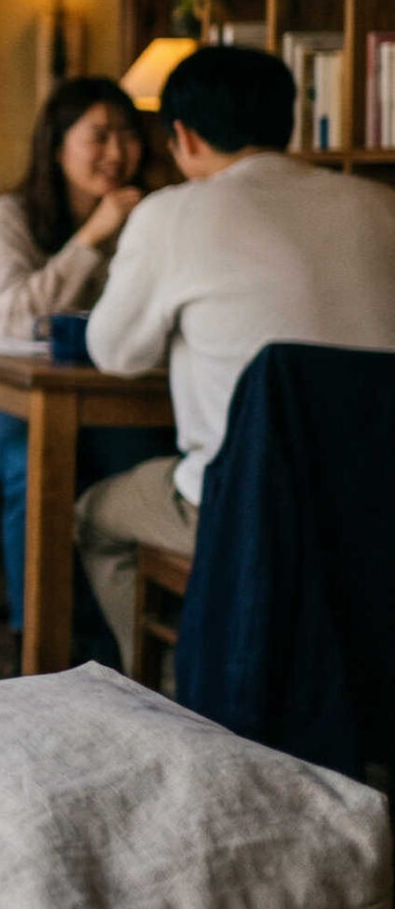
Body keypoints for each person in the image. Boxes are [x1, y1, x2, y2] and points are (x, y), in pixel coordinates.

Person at [80, 46, 395, 671]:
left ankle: (175, 693)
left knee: (95, 517)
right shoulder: (381, 205)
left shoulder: (171, 213)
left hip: (244, 507)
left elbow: (113, 352)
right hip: (378, 502)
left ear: (184, 137)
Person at [0, 78, 173, 634]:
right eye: (99, 136)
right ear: (57, 146)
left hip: (107, 405)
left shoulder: (151, 219)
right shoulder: (5, 216)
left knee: (148, 460)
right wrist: (91, 238)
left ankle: (128, 639)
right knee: (35, 462)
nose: (117, 152)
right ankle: (38, 638)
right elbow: (13, 320)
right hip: (6, 403)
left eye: (128, 135)